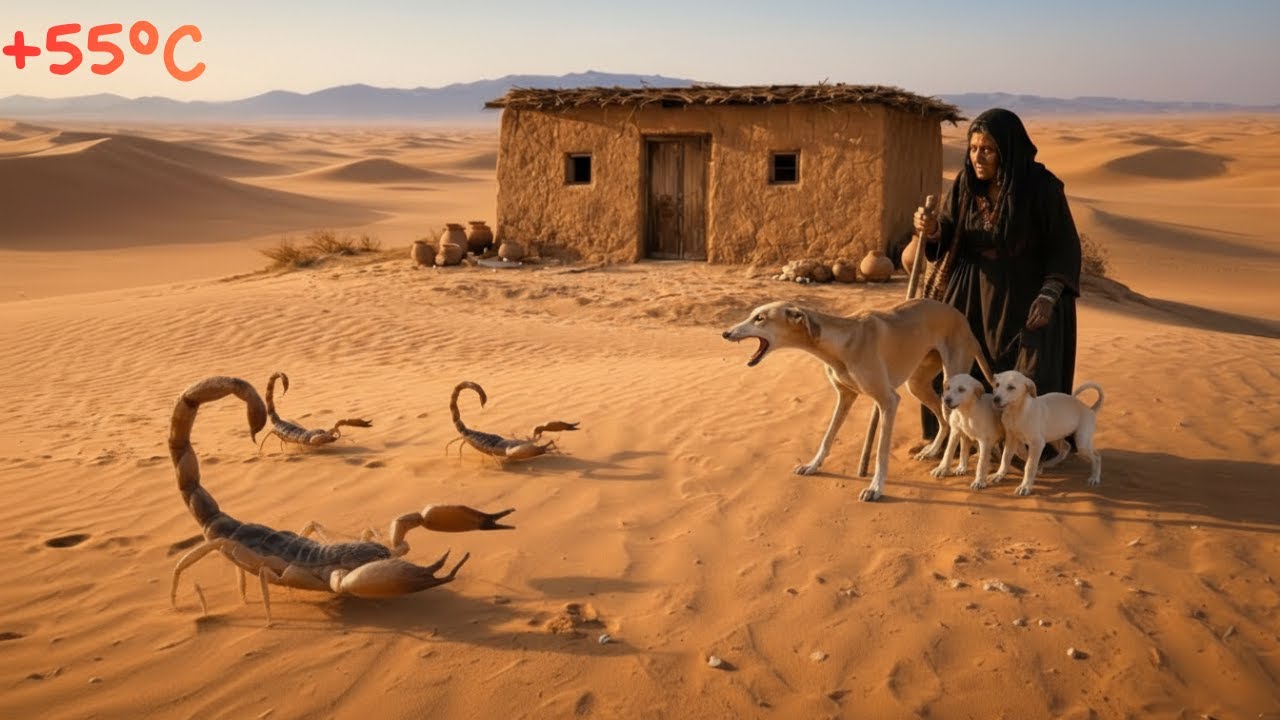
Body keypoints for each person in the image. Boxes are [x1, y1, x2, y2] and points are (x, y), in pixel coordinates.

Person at [913, 108, 1082, 440]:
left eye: (988, 149)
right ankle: (962, 437)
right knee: (955, 359)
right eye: (973, 148)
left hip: (1027, 292)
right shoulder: (966, 184)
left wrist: (1049, 296)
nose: (978, 157)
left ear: (1008, 150)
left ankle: (1026, 444)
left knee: (1026, 374)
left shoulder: (1041, 188)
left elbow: (1064, 245)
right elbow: (948, 233)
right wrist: (931, 230)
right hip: (971, 290)